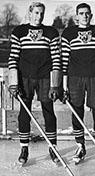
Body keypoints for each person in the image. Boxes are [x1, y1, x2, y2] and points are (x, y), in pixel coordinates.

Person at [8, 2, 61, 164]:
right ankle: (24, 147)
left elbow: (56, 59)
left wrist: (55, 84)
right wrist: (13, 82)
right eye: (36, 13)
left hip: (45, 78)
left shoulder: (50, 32)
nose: (39, 16)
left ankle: (52, 148)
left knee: (48, 111)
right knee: (24, 113)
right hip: (25, 79)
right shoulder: (20, 31)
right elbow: (13, 58)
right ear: (30, 13)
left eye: (42, 13)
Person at [61, 3, 95, 163]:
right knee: (76, 111)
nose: (84, 16)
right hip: (75, 78)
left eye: (87, 13)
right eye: (81, 13)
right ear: (77, 16)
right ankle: (80, 146)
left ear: (91, 14)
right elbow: (64, 61)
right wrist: (63, 85)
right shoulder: (69, 33)